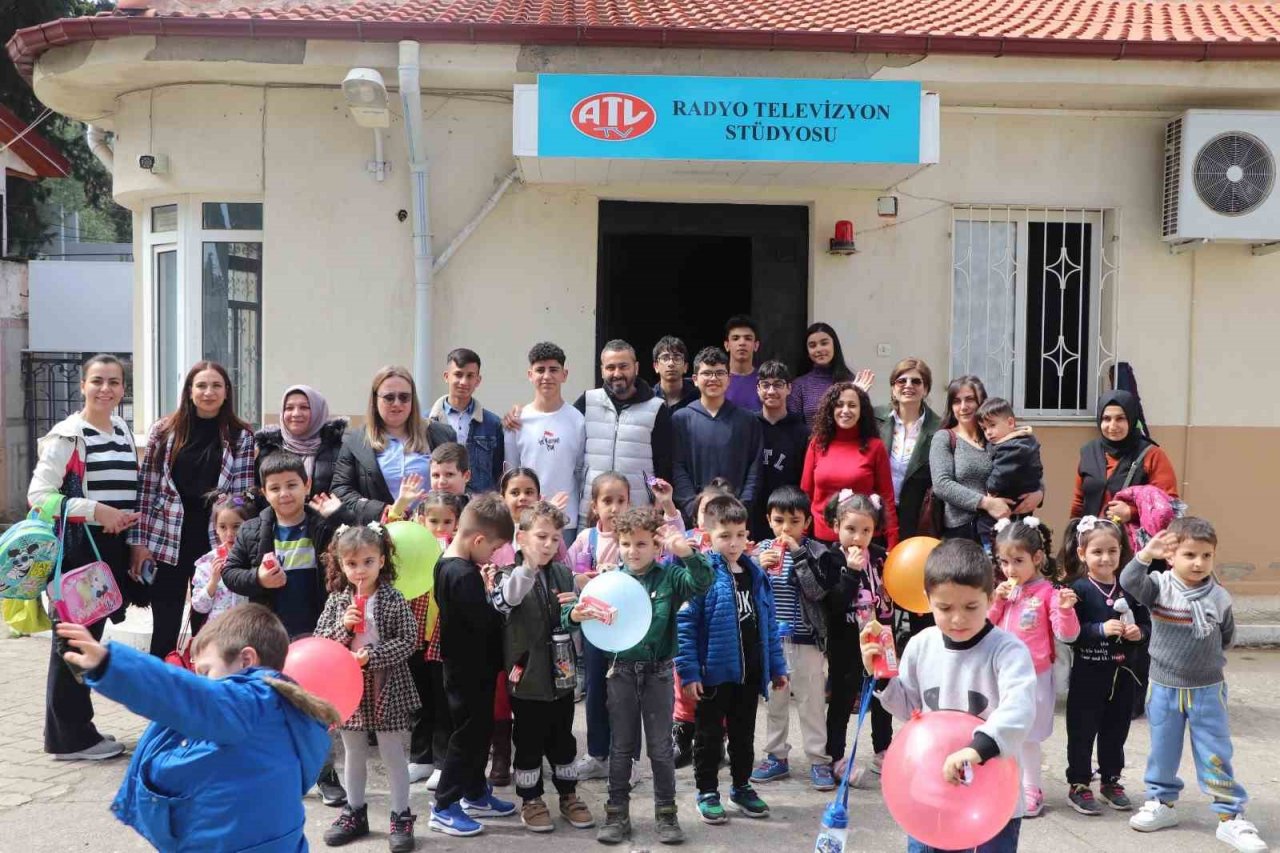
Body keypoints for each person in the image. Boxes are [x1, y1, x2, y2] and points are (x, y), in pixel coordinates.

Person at [55, 604, 336, 851]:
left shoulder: (252, 703)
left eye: (205, 672)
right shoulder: (276, 714)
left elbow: (188, 697)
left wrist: (110, 665)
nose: (200, 682)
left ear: (246, 660)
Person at [860, 539, 1038, 853]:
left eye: (971, 607)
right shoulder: (921, 644)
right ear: (927, 599)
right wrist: (882, 677)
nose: (958, 619)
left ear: (989, 595)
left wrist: (977, 749)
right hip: (931, 789)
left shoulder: (1007, 651)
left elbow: (1019, 708)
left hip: (992, 795)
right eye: (944, 608)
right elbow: (911, 710)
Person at [1120, 520, 1268, 852]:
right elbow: (1129, 581)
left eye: (1206, 555)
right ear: (1171, 556)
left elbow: (1226, 637)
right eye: (1190, 554)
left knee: (1215, 753)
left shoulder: (1219, 596)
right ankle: (1161, 802)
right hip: (1163, 688)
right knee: (1162, 750)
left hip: (1207, 690)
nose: (1199, 563)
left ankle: (1231, 818)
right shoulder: (1158, 587)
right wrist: (1146, 554)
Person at [29, 353, 143, 761]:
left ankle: (76, 730)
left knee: (88, 638)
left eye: (114, 382)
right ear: (82, 386)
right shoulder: (68, 435)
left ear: (123, 390)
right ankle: (69, 739)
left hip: (109, 550)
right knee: (73, 639)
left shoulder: (122, 430)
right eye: (97, 381)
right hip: (79, 549)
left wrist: (129, 537)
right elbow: (39, 496)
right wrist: (97, 512)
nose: (105, 389)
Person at [580, 507, 713, 846]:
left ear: (656, 547)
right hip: (620, 672)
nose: (632, 551)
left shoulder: (670, 577)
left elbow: (703, 582)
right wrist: (575, 612)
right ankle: (616, 814)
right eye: (626, 543)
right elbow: (579, 613)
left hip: (658, 674)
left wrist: (686, 553)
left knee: (661, 749)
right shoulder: (611, 580)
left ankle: (667, 814)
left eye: (641, 544)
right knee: (622, 747)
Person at [131, 360, 255, 659]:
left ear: (227, 393)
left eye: (216, 386)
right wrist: (138, 543)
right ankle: (159, 694)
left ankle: (201, 691)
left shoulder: (240, 436)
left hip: (215, 544)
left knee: (209, 626)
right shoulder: (164, 431)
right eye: (201, 385)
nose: (208, 392)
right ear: (189, 391)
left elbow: (241, 500)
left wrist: (237, 547)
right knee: (165, 625)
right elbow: (146, 491)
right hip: (168, 541)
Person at [675, 495, 787, 825]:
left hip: (749, 674)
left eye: (740, 534)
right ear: (708, 537)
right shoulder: (702, 574)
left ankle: (741, 787)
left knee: (743, 735)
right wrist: (690, 672)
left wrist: (777, 667)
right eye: (725, 536)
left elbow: (768, 623)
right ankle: (707, 792)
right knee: (708, 737)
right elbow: (685, 627)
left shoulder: (755, 573)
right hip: (713, 674)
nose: (734, 543)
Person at [489, 501, 595, 834]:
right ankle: (531, 799)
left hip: (562, 676)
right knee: (529, 739)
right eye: (541, 537)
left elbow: (574, 623)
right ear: (521, 538)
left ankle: (569, 795)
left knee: (563, 739)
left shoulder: (564, 574)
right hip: (526, 676)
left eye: (554, 538)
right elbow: (508, 600)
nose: (549, 545)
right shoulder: (508, 575)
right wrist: (528, 567)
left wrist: (576, 614)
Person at [316, 523, 421, 852]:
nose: (360, 571)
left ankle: (401, 814)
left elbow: (408, 640)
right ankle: (355, 811)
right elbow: (322, 641)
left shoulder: (393, 598)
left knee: (392, 753)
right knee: (353, 752)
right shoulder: (337, 601)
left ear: (381, 560)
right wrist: (343, 629)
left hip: (387, 683)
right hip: (349, 687)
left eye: (368, 562)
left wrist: (372, 657)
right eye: (351, 564)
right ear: (341, 564)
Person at [429, 494, 518, 838]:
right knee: (466, 737)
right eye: (493, 549)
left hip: (466, 668)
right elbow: (482, 622)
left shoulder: (448, 563)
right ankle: (444, 805)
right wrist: (498, 601)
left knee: (479, 731)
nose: (492, 556)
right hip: (469, 670)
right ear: (478, 540)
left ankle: (475, 793)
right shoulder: (463, 574)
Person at [792, 491, 894, 784]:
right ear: (836, 526)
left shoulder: (880, 556)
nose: (858, 537)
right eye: (850, 529)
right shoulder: (831, 558)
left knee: (882, 694)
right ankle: (836, 756)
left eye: (866, 530)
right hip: (845, 639)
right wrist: (850, 571)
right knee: (842, 698)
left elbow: (890, 592)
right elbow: (833, 604)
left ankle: (883, 749)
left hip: (879, 636)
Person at [988, 517, 1080, 818]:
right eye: (1004, 561)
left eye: (1018, 561)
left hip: (1033, 675)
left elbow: (1067, 634)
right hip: (1000, 672)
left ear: (1037, 558)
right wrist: (996, 603)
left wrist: (1066, 611)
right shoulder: (1003, 591)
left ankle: (1031, 788)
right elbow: (985, 626)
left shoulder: (1049, 594)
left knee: (1027, 735)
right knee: (998, 729)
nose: (1010, 570)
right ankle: (1001, 784)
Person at [1059, 516, 1148, 816]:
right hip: (1088, 675)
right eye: (1097, 552)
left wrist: (1139, 633)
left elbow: (1146, 624)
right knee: (1082, 731)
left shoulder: (1129, 589)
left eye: (1113, 550)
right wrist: (1098, 629)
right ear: (1083, 554)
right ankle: (1079, 784)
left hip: (1123, 674)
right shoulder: (1077, 590)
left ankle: (1111, 780)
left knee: (1116, 730)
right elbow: (1070, 634)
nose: (1106, 558)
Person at [751, 486, 833, 791]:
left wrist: (798, 556)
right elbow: (750, 590)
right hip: (773, 642)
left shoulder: (815, 552)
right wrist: (759, 568)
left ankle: (818, 759)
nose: (787, 528)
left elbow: (816, 591)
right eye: (780, 520)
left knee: (811, 703)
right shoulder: (759, 551)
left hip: (806, 640)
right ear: (770, 521)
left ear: (807, 522)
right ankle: (776, 756)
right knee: (775, 701)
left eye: (794, 521)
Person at [406, 450, 472, 788]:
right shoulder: (414, 546)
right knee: (421, 700)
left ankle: (444, 762)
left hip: (445, 635)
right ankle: (420, 757)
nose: (441, 528)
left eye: (448, 522)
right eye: (434, 522)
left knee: (446, 699)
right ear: (422, 522)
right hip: (418, 633)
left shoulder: (460, 552)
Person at [331, 365, 456, 525]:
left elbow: (461, 482)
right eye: (389, 397)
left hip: (433, 531)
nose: (397, 403)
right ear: (375, 400)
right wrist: (383, 510)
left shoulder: (441, 435)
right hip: (378, 534)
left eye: (404, 397)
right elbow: (340, 490)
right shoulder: (355, 441)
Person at [929, 376, 1041, 545]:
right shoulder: (944, 438)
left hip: (1009, 529)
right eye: (957, 401)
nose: (963, 407)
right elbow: (941, 484)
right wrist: (986, 503)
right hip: (963, 531)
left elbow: (1027, 466)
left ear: (981, 402)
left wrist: (1039, 493)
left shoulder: (997, 435)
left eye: (970, 399)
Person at [573, 339, 673, 520]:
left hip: (638, 512)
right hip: (593, 511)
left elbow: (664, 461)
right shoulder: (588, 401)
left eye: (623, 366)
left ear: (636, 367)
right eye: (610, 367)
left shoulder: (656, 408)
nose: (617, 373)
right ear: (602, 370)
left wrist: (659, 504)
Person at [504, 342, 587, 542]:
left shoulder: (578, 420)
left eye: (553, 370)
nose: (547, 376)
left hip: (566, 520)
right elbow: (511, 473)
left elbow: (580, 471)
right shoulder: (516, 421)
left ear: (564, 375)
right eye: (540, 370)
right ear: (530, 374)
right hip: (526, 520)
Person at [800, 382, 900, 547]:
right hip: (823, 542)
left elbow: (887, 499)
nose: (845, 410)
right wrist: (801, 536)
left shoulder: (875, 446)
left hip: (863, 541)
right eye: (839, 405)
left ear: (862, 411)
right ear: (831, 410)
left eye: (852, 405)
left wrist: (892, 543)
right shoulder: (817, 444)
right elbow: (806, 494)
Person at [671, 347, 764, 522]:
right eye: (707, 373)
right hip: (695, 519)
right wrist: (695, 507)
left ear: (729, 379)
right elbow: (677, 467)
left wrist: (741, 507)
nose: (713, 379)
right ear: (695, 379)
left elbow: (755, 469)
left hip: (737, 518)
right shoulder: (681, 419)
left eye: (719, 373)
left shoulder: (747, 420)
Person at [1071, 390, 1179, 521]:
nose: (1112, 426)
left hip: (1134, 539)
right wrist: (1073, 535)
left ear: (1131, 418)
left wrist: (1131, 512)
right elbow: (1079, 503)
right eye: (1106, 418)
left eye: (1120, 418)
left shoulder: (1152, 455)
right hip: (1094, 538)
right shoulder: (1089, 452)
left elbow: (1169, 505)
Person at [876, 358, 941, 541]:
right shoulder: (874, 418)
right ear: (893, 388)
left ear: (926, 389)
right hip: (876, 515)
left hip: (916, 518)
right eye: (901, 381)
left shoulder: (940, 428)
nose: (908, 385)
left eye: (916, 381)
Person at [254, 384, 347, 509]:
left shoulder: (340, 447)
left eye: (304, 407)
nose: (296, 413)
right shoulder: (267, 449)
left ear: (317, 411)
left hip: (327, 524)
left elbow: (347, 491)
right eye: (289, 408)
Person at [429, 348, 505, 494]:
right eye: (458, 374)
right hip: (440, 506)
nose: (463, 382)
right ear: (446, 376)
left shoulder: (492, 424)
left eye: (470, 376)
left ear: (478, 380)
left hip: (479, 507)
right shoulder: (428, 422)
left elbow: (498, 471)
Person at [975, 397, 1044, 550]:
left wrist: (990, 489)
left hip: (1006, 510)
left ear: (1011, 423)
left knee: (995, 550)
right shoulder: (1024, 441)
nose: (988, 433)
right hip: (1018, 512)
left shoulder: (1012, 447)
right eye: (984, 429)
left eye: (992, 426)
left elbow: (1000, 476)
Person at [753, 360, 810, 539]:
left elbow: (805, 479)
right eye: (765, 385)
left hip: (788, 517)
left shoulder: (802, 431)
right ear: (758, 389)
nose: (771, 391)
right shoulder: (747, 426)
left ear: (789, 388)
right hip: (752, 514)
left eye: (778, 385)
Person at [190, 492, 256, 621]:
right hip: (219, 633)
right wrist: (213, 581)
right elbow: (199, 607)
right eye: (223, 527)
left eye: (236, 526)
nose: (229, 533)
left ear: (249, 525)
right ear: (215, 528)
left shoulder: (255, 558)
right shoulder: (207, 563)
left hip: (250, 630)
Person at [787, 322, 867, 428]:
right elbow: (794, 427)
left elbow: (862, 423)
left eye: (824, 343)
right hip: (811, 444)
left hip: (846, 443)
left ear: (834, 345)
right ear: (807, 351)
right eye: (812, 345)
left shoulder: (851, 382)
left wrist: (859, 396)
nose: (819, 349)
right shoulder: (799, 385)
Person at [722, 315, 762, 413]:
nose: (742, 343)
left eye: (748, 338)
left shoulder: (764, 382)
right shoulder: (716, 380)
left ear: (756, 345)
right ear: (727, 345)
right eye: (736, 338)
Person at [652, 336, 698, 412]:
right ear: (656, 366)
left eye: (677, 358)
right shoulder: (649, 399)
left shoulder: (698, 396)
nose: (671, 363)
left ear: (685, 367)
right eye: (665, 358)